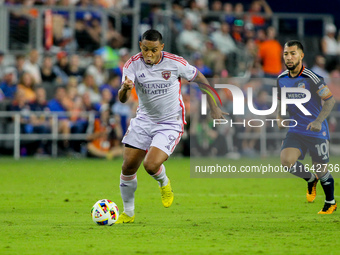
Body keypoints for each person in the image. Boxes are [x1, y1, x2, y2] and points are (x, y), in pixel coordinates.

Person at [115, 29, 227, 224]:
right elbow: (123, 99)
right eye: (145, 49)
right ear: (140, 45)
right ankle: (128, 213)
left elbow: (200, 78)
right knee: (128, 168)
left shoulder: (176, 63)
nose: (149, 54)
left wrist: (213, 106)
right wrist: (124, 89)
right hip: (143, 120)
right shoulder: (132, 65)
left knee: (151, 165)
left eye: (154, 50)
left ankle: (164, 182)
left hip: (169, 122)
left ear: (162, 47)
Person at [277, 40, 337, 214]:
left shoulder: (312, 78)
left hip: (316, 130)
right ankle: (311, 180)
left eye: (293, 53)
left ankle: (330, 202)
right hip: (296, 129)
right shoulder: (281, 79)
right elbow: (281, 101)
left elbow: (330, 100)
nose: (289, 57)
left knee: (321, 169)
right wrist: (280, 117)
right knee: (286, 161)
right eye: (286, 54)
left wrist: (318, 121)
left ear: (301, 56)